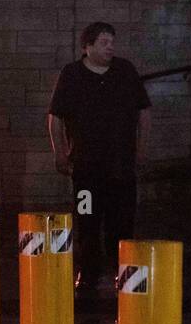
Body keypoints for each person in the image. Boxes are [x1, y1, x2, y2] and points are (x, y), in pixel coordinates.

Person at [48, 22, 152, 296]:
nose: (110, 47)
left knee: (122, 222)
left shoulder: (125, 71)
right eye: (104, 42)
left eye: (112, 42)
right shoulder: (72, 74)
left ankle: (123, 273)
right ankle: (88, 273)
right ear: (88, 46)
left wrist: (141, 149)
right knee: (88, 222)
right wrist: (59, 151)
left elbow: (144, 111)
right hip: (86, 165)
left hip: (121, 165)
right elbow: (55, 116)